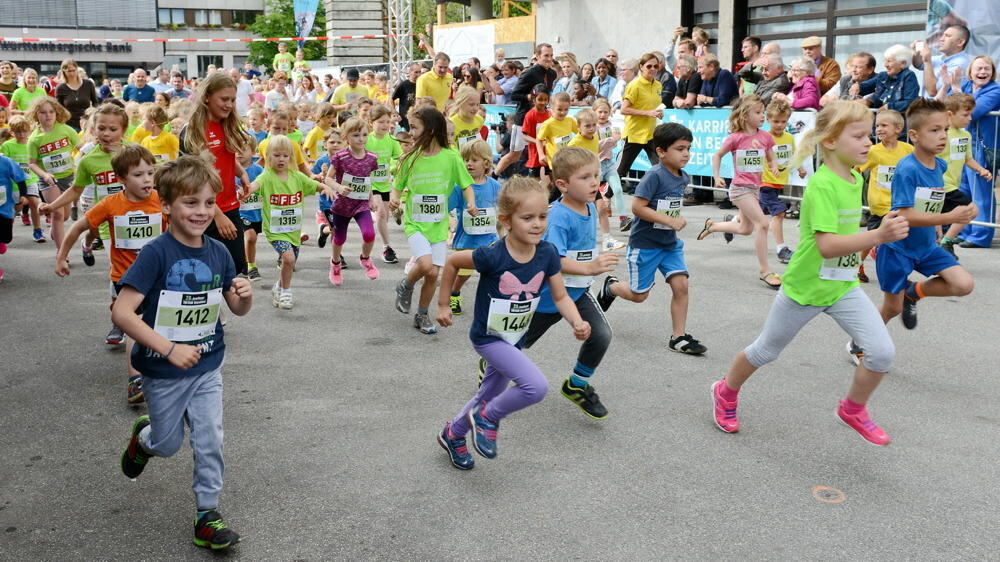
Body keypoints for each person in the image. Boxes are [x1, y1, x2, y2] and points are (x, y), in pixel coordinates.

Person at [711, 100, 908, 446]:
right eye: (860, 136)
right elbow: (828, 246)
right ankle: (725, 391)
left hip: (842, 287)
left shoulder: (854, 175)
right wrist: (878, 236)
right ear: (830, 141)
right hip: (805, 288)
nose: (868, 143)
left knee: (882, 353)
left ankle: (853, 409)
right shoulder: (822, 185)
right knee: (765, 352)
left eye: (869, 135)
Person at [113, 155, 253, 551]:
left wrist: (243, 297)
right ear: (166, 206)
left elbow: (235, 309)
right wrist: (168, 348)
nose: (202, 211)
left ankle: (207, 515)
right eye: (191, 202)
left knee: (210, 439)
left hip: (208, 365)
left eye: (209, 202)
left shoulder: (219, 253)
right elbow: (122, 312)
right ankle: (145, 439)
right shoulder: (156, 253)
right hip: (163, 371)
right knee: (168, 444)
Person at [434, 176, 590, 470]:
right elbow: (454, 261)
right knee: (535, 387)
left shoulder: (547, 253)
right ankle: (488, 417)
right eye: (527, 217)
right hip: (489, 338)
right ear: (506, 220)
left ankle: (453, 434)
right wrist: (444, 304)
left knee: (489, 392)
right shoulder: (494, 254)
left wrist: (577, 321)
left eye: (543, 216)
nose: (537, 224)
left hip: (513, 337)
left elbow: (560, 296)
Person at [54, 145, 164, 403]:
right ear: (121, 178)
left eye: (150, 172)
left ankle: (164, 370)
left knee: (157, 325)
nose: (147, 179)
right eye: (138, 175)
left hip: (160, 276)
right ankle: (135, 381)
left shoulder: (162, 200)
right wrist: (61, 256)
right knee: (135, 328)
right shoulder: (111, 204)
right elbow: (77, 227)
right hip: (126, 278)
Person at [597, 122, 708, 356]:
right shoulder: (654, 175)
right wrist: (670, 221)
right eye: (680, 148)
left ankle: (678, 337)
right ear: (661, 151)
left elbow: (669, 207)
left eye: (688, 148)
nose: (686, 153)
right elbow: (637, 207)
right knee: (639, 295)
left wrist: (674, 219)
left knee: (681, 285)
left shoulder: (683, 176)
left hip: (670, 245)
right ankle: (611, 288)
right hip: (645, 245)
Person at [874, 98, 976, 334]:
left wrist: (938, 228)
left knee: (963, 284)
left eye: (946, 130)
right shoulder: (907, 168)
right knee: (892, 309)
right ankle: (860, 343)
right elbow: (906, 214)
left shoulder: (939, 165)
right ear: (914, 135)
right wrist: (951, 216)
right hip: (897, 248)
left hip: (926, 245)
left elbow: (931, 201)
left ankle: (914, 292)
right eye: (935, 130)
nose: (943, 136)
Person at [390, 106, 478, 334]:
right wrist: (395, 200)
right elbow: (397, 187)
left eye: (414, 127)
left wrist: (471, 202)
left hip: (438, 225)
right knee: (426, 266)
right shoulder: (410, 158)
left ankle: (421, 315)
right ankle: (406, 285)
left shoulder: (451, 157)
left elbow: (466, 183)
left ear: (430, 129)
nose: (410, 132)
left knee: (432, 274)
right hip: (416, 222)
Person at [696, 94, 782, 289]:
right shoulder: (736, 138)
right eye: (758, 112)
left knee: (745, 229)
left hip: (754, 189)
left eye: (763, 112)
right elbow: (717, 155)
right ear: (744, 115)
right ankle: (765, 270)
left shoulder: (765, 136)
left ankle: (713, 226)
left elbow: (771, 157)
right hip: (739, 188)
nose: (763, 116)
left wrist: (774, 166)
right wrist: (717, 176)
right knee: (762, 224)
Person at [179, 72, 254, 277]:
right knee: (204, 274)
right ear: (206, 97)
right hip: (204, 212)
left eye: (232, 100)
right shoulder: (193, 130)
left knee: (237, 269)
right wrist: (217, 215)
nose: (229, 105)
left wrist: (242, 172)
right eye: (224, 99)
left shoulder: (226, 124)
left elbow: (223, 157)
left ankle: (217, 308)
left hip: (230, 206)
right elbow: (194, 178)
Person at [936, 55, 1000, 248]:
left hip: (982, 146)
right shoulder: (964, 86)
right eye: (978, 68)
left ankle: (980, 235)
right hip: (962, 143)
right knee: (963, 190)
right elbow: (940, 105)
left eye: (986, 69)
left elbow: (974, 111)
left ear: (993, 72)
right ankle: (963, 231)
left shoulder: (995, 90)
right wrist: (947, 86)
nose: (982, 72)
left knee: (980, 191)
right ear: (970, 71)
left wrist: (955, 89)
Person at [322, 117, 380, 286]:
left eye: (364, 135)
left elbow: (367, 179)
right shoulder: (340, 157)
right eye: (356, 135)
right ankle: (335, 264)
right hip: (342, 205)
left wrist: (372, 198)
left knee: (369, 234)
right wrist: (339, 188)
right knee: (339, 239)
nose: (361, 139)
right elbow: (328, 179)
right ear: (346, 137)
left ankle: (366, 259)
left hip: (361, 204)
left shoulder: (371, 158)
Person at [446, 139, 502, 315]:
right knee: (464, 273)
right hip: (467, 239)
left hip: (489, 239)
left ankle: (494, 301)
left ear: (486, 162)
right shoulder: (460, 187)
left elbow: (504, 207)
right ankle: (454, 292)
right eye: (466, 159)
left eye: (474, 160)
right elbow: (447, 209)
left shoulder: (494, 186)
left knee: (495, 272)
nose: (469, 163)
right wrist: (449, 226)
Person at [856, 109, 911, 285]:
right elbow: (857, 170)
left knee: (900, 239)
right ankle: (858, 263)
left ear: (898, 128)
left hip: (900, 204)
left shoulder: (908, 150)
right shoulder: (873, 151)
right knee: (871, 238)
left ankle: (892, 265)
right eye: (877, 125)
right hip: (879, 206)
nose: (879, 129)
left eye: (884, 125)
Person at [937, 93, 993, 256]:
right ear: (949, 114)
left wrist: (981, 170)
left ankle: (943, 243)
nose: (970, 118)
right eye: (965, 114)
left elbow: (967, 159)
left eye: (970, 114)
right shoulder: (941, 134)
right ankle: (945, 242)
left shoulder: (966, 135)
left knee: (940, 217)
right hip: (940, 184)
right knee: (972, 210)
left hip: (952, 184)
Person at [27, 97, 80, 257]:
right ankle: (62, 253)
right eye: (43, 112)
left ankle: (54, 230)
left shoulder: (66, 130)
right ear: (36, 115)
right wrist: (44, 174)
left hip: (67, 176)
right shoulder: (34, 139)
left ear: (57, 113)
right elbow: (32, 163)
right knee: (57, 214)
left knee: (64, 216)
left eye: (51, 112)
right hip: (48, 179)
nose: (48, 116)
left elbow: (81, 147)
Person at [495, 43, 557, 177]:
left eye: (551, 55)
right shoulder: (529, 73)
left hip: (541, 119)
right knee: (514, 155)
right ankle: (494, 176)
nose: (549, 58)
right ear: (538, 56)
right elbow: (515, 95)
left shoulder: (552, 73)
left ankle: (544, 187)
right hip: (524, 119)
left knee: (544, 152)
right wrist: (530, 97)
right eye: (546, 55)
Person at [362, 104, 402, 264]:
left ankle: (372, 216)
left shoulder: (392, 140)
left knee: (383, 218)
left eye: (387, 121)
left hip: (385, 184)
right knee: (382, 214)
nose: (385, 125)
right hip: (370, 185)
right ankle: (387, 248)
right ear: (371, 122)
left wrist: (395, 168)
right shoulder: (367, 140)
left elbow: (399, 159)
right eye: (381, 122)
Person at [618, 53, 663, 185]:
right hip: (635, 134)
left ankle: (660, 198)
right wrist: (647, 113)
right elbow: (624, 109)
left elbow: (653, 107)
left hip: (651, 134)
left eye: (656, 66)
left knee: (661, 167)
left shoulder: (658, 85)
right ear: (641, 67)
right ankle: (606, 195)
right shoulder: (634, 85)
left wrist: (658, 113)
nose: (653, 69)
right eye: (649, 66)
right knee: (622, 170)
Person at [2, 116, 44, 242]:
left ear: (30, 131)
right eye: (18, 132)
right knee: (15, 208)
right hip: (13, 184)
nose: (21, 134)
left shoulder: (33, 143)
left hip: (30, 180)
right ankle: (8, 229)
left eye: (24, 131)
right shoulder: (7, 146)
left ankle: (37, 230)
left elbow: (38, 160)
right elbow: (3, 164)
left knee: (34, 203)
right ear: (11, 132)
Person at [913, 24, 971, 97]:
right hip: (927, 106)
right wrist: (918, 51)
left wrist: (927, 61)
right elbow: (918, 65)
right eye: (943, 35)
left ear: (960, 42)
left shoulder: (960, 64)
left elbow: (933, 92)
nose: (941, 39)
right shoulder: (940, 58)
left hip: (938, 107)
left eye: (947, 36)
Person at [236, 139, 264, 281]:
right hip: (239, 213)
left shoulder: (259, 170)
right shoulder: (230, 170)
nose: (239, 152)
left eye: (244, 148)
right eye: (236, 148)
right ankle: (251, 267)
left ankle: (244, 262)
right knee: (250, 236)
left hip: (256, 212)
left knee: (251, 240)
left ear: (253, 152)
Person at [0, 142, 28, 282]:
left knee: (6, 237)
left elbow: (21, 179)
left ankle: (2, 242)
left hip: (3, 207)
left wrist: (23, 195)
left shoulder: (5, 161)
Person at [866, 45, 919, 113]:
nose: (885, 65)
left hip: (897, 119)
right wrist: (858, 86)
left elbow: (911, 102)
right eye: (885, 61)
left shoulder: (908, 76)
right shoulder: (883, 75)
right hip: (878, 115)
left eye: (889, 61)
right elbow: (866, 86)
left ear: (903, 63)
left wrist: (889, 107)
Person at [55, 59, 99, 131]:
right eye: (69, 71)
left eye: (74, 70)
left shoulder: (88, 84)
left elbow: (95, 102)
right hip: (70, 125)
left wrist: (94, 113)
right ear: (64, 71)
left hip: (87, 123)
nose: (72, 74)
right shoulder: (60, 88)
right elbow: (59, 109)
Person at [391, 63, 421, 130]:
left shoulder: (422, 84)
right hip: (405, 120)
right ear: (410, 72)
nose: (418, 74)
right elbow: (391, 99)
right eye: (416, 72)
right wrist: (394, 111)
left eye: (420, 72)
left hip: (418, 118)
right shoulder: (403, 85)